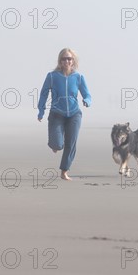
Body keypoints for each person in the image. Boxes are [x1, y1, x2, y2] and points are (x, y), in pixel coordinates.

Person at [37, 48, 91, 181]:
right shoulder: (52, 76)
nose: (67, 61)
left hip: (74, 114)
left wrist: (87, 101)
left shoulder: (78, 77)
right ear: (60, 61)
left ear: (73, 61)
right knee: (57, 144)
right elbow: (44, 93)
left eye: (69, 59)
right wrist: (41, 110)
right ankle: (55, 145)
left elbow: (87, 94)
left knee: (71, 143)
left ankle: (64, 171)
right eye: (64, 59)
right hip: (57, 113)